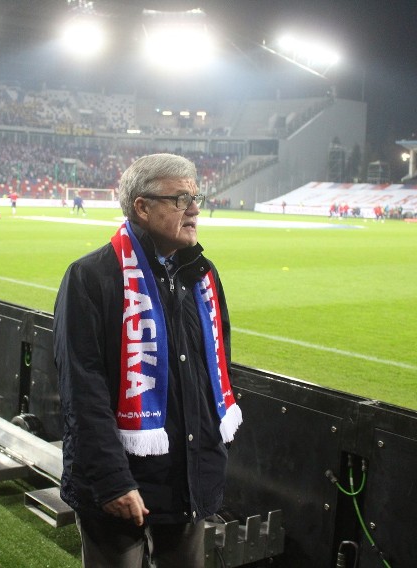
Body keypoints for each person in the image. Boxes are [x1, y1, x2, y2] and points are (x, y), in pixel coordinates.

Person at [53, 153, 242, 568]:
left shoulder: (202, 277)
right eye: (180, 199)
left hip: (187, 482)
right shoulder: (91, 278)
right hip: (120, 488)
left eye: (197, 197)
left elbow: (218, 371)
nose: (195, 208)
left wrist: (209, 463)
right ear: (142, 206)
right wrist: (112, 482)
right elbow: (82, 393)